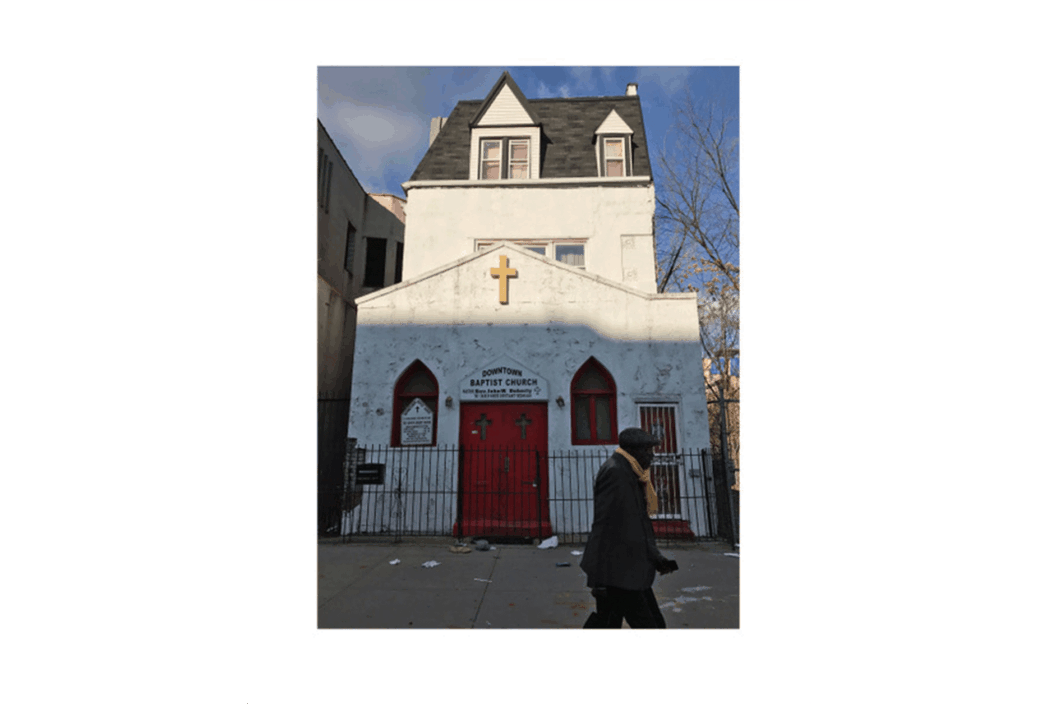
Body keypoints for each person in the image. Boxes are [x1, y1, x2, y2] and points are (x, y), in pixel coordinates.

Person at [580, 428, 678, 628]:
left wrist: (655, 557)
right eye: (648, 451)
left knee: (610, 622)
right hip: (618, 573)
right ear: (634, 451)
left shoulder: (632, 473)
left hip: (627, 570)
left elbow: (636, 523)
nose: (652, 456)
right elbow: (605, 525)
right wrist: (600, 580)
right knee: (650, 625)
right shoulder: (616, 473)